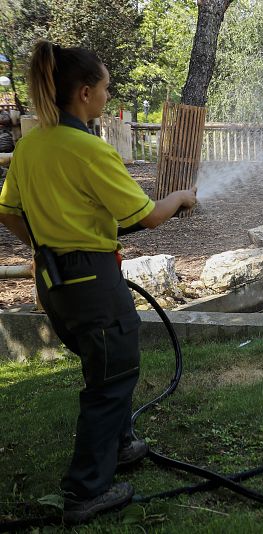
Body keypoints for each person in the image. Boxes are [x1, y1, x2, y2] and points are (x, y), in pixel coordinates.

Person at [0, 41, 197, 524]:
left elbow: (6, 210)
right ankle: (85, 491)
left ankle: (122, 442)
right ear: (85, 93)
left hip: (55, 285)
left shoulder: (30, 146)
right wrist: (180, 197)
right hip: (93, 281)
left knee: (103, 361)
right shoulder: (89, 149)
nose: (109, 96)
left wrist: (41, 249)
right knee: (111, 377)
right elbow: (148, 217)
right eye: (106, 89)